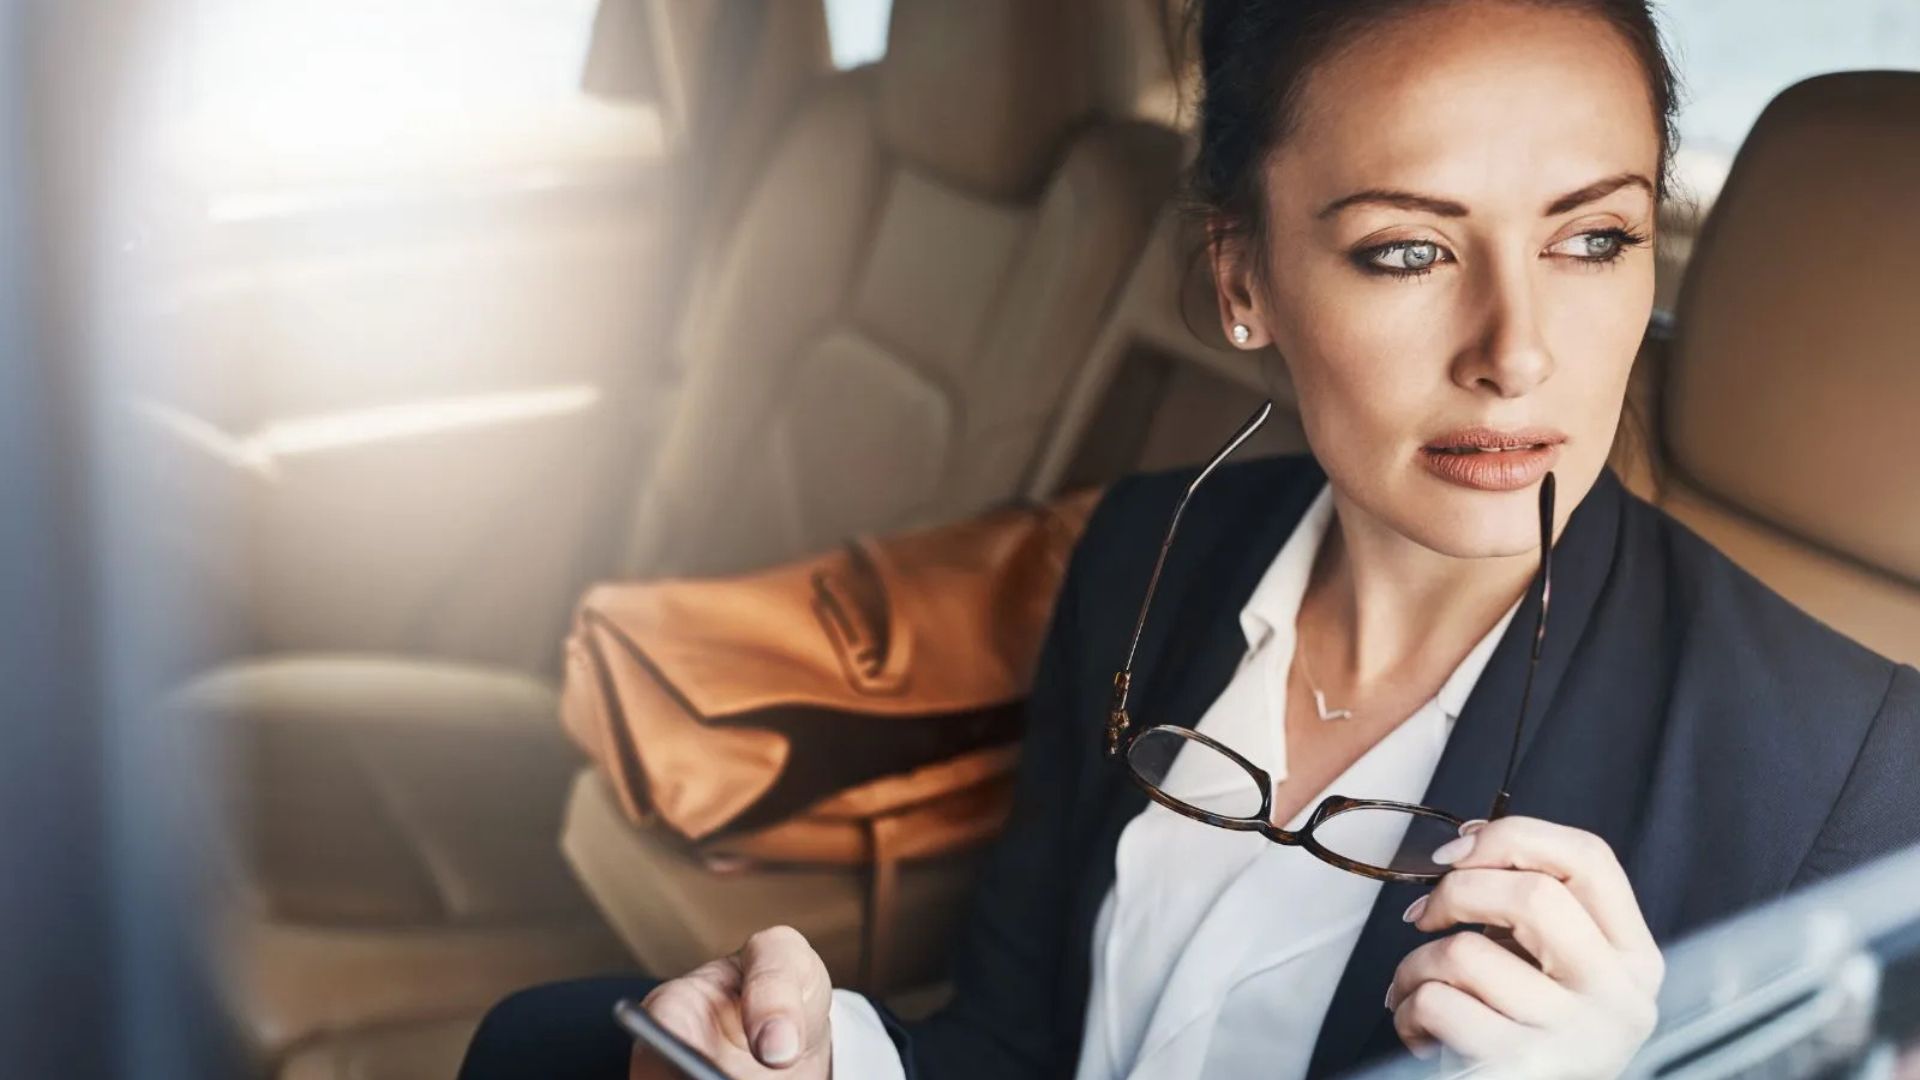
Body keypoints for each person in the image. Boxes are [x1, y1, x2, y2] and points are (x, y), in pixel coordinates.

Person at [459, 0, 1920, 1077]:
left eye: (1592, 240)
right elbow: (1019, 1040)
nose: (1516, 352)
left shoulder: (1863, 787)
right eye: (1408, 250)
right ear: (1242, 282)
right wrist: (829, 1052)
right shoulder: (1154, 556)